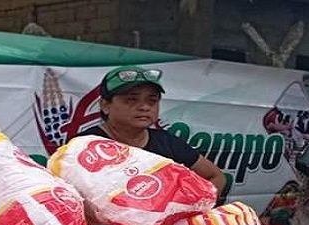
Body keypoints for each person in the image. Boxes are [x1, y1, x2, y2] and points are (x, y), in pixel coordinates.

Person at [77, 65, 227, 195]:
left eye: (152, 101)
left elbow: (216, 176)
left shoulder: (168, 143)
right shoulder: (83, 145)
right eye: (132, 99)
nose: (144, 107)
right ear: (105, 105)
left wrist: (193, 208)